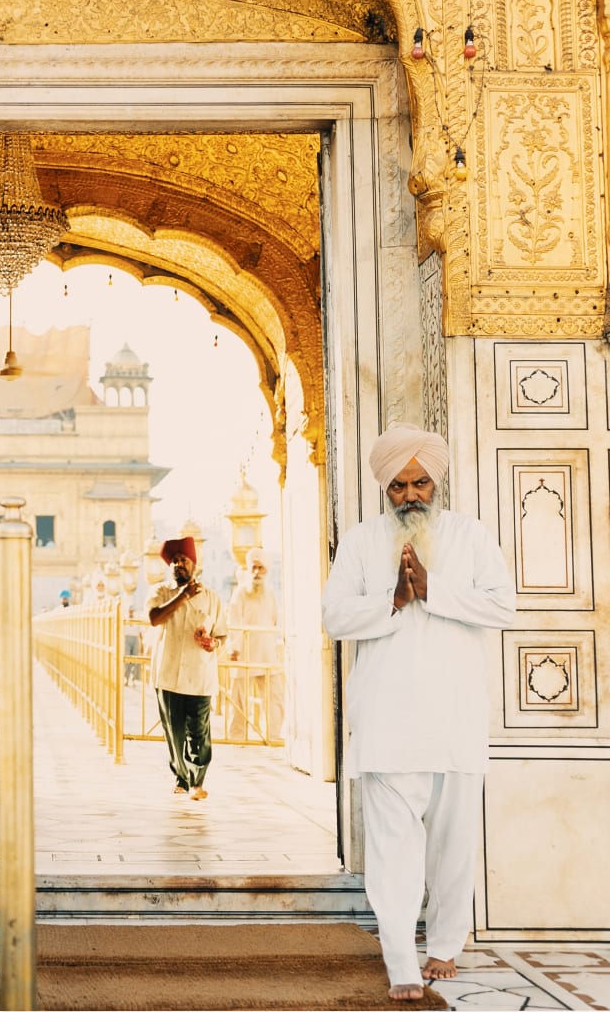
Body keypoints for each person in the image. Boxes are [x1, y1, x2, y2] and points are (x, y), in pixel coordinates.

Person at [322, 423, 515, 1002]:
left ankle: (445, 946)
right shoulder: (360, 541)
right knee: (392, 850)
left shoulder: (471, 536)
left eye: (421, 482)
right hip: (386, 718)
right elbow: (333, 618)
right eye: (399, 485)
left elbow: (502, 606)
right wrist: (394, 600)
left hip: (454, 716)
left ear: (438, 481)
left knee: (454, 843)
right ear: (386, 488)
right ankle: (402, 960)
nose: (411, 494)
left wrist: (434, 590)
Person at [147, 536, 225, 800]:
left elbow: (222, 636)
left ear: (194, 564)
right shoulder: (160, 592)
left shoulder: (212, 598)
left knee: (199, 733)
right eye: (175, 560)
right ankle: (181, 776)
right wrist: (181, 597)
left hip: (200, 675)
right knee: (174, 733)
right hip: (167, 674)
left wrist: (212, 642)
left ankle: (197, 781)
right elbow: (154, 618)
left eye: (184, 560)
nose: (179, 564)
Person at [225, 549, 285, 742]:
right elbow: (234, 620)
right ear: (249, 569)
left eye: (261, 568)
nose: (257, 572)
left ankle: (273, 735)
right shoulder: (241, 593)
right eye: (254, 567)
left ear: (266, 571)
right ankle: (237, 736)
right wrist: (234, 647)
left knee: (274, 696)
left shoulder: (270, 593)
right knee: (239, 698)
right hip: (244, 652)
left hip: (267, 651)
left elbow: (276, 619)